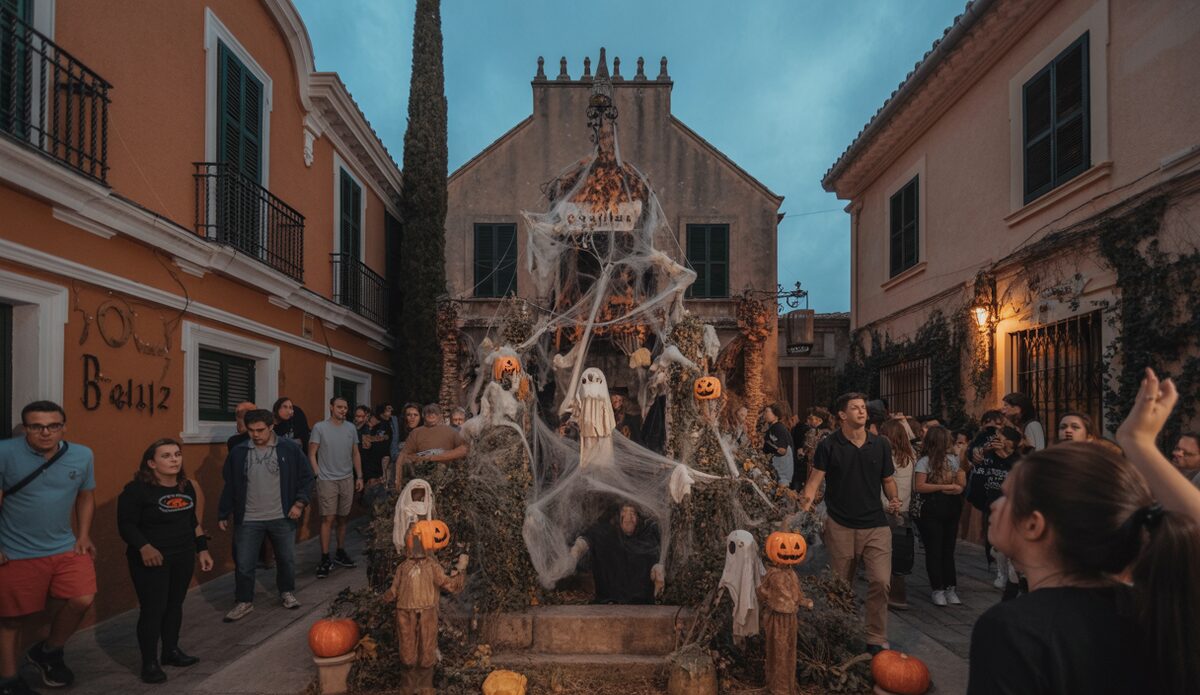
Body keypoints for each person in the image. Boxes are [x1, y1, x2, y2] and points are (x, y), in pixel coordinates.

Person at [967, 440, 1200, 695]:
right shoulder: (1161, 612)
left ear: (1034, 525)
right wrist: (1139, 438)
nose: (994, 504)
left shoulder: (1013, 630)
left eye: (1008, 497)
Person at [0, 402, 96, 695]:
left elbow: (86, 496)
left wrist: (83, 535)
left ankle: (49, 651)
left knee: (82, 598)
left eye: (53, 425)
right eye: (36, 426)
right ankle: (9, 679)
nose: (45, 432)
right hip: (16, 551)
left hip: (65, 546)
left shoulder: (82, 455)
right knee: (11, 619)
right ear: (25, 428)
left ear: (64, 426)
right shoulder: (5, 452)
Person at [800, 392, 901, 654]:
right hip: (840, 524)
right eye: (854, 408)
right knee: (841, 585)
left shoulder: (881, 445)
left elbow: (888, 480)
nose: (861, 411)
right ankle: (841, 630)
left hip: (876, 525)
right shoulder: (829, 445)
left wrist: (894, 499)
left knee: (880, 581)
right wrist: (804, 509)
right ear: (842, 415)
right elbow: (813, 482)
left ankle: (875, 637)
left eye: (863, 408)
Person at [117, 440, 214, 683]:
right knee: (153, 609)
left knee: (174, 605)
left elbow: (192, 521)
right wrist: (144, 546)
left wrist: (202, 549)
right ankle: (149, 662)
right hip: (151, 559)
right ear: (151, 463)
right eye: (166, 455)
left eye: (177, 454)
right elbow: (126, 524)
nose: (174, 459)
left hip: (182, 555)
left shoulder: (186, 487)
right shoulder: (136, 490)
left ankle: (170, 651)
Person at [217, 409, 314, 622]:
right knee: (244, 562)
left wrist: (299, 503)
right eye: (251, 430)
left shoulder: (289, 448)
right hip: (249, 518)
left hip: (282, 516)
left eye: (260, 430)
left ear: (271, 427)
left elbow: (307, 478)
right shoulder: (239, 452)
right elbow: (230, 485)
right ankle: (244, 601)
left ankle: (287, 592)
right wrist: (223, 512)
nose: (255, 435)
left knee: (286, 559)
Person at [309, 397, 363, 579]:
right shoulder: (319, 428)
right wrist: (318, 474)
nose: (343, 410)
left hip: (347, 479)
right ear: (331, 407)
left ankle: (340, 551)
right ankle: (325, 558)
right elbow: (312, 453)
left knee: (343, 518)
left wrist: (359, 476)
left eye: (345, 407)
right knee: (328, 519)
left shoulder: (351, 428)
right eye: (339, 407)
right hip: (327, 480)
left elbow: (355, 453)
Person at [913, 426, 966, 607]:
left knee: (948, 549)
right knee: (934, 549)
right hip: (931, 507)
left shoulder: (954, 460)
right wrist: (944, 487)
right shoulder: (924, 462)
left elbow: (960, 483)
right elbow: (919, 486)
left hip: (951, 506)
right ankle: (938, 588)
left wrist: (957, 487)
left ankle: (950, 587)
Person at [570, 503, 663, 604]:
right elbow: (591, 537)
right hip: (608, 603)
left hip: (641, 604)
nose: (628, 518)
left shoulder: (647, 537)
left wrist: (659, 567)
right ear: (618, 516)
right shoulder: (608, 534)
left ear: (639, 518)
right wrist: (576, 550)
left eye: (633, 513)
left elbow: (659, 555)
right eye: (624, 512)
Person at [878, 419, 915, 610]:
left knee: (884, 556)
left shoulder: (886, 458)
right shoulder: (910, 458)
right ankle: (898, 595)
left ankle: (889, 595)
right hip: (904, 510)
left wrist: (887, 504)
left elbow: (880, 487)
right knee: (899, 556)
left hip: (887, 511)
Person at [398, 404, 468, 486]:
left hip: (444, 474)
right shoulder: (415, 433)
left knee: (440, 469)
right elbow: (405, 455)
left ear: (440, 416)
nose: (431, 415)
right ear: (423, 416)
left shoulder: (451, 431)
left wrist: (437, 457)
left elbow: (464, 449)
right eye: (428, 413)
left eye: (434, 413)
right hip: (420, 473)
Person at [355, 406, 390, 514]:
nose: (360, 419)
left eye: (363, 416)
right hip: (362, 468)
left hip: (374, 472)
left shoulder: (381, 429)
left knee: (376, 503)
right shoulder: (358, 429)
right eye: (357, 416)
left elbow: (383, 448)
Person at [763, 403, 795, 487]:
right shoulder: (773, 428)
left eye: (767, 412)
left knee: (781, 495)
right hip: (778, 472)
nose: (764, 414)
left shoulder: (778, 428)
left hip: (781, 473)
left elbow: (782, 450)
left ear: (776, 415)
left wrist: (770, 446)